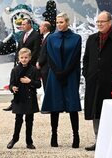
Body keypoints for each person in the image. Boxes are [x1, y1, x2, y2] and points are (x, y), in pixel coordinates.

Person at [82, 11, 112, 151]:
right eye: (98, 22)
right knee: (96, 111)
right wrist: (87, 74)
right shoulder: (92, 39)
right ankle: (98, 140)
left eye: (102, 22)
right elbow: (86, 59)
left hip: (111, 83)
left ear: (110, 22)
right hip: (94, 81)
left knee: (110, 112)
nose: (99, 24)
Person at [41, 12, 82, 148]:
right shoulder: (51, 38)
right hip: (55, 75)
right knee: (54, 105)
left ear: (67, 22)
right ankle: (54, 135)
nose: (58, 24)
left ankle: (76, 136)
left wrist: (66, 72)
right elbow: (49, 56)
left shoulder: (76, 38)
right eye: (57, 22)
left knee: (72, 106)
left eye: (61, 22)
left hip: (70, 75)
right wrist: (57, 72)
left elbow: (76, 57)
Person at [3, 18, 41, 111]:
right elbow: (19, 48)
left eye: (24, 24)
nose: (22, 26)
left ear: (29, 24)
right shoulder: (23, 34)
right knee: (17, 83)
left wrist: (30, 63)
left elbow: (36, 50)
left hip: (29, 66)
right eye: (21, 24)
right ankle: (15, 103)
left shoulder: (36, 35)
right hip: (20, 64)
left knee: (28, 86)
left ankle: (28, 106)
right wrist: (17, 59)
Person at [7, 48, 41, 149]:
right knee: (18, 120)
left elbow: (39, 84)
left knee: (29, 121)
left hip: (30, 98)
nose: (24, 59)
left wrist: (29, 82)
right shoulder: (15, 70)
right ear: (19, 58)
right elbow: (11, 84)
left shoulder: (34, 70)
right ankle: (15, 138)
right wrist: (12, 88)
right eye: (22, 57)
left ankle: (29, 141)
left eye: (26, 57)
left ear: (30, 58)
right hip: (19, 98)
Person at [36, 21, 51, 90]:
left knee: (48, 88)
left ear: (45, 28)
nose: (39, 28)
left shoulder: (49, 38)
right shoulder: (44, 38)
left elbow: (46, 52)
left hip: (47, 67)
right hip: (44, 68)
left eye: (40, 26)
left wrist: (39, 62)